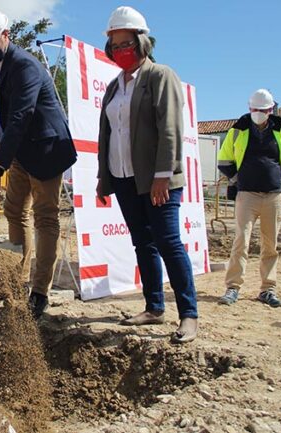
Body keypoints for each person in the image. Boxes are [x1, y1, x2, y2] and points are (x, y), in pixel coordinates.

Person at [0, 5, 77, 319]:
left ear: (6, 34)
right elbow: (6, 111)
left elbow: (21, 118)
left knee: (45, 218)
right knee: (14, 210)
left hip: (46, 150)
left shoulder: (26, 66)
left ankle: (39, 292)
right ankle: (15, 280)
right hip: (19, 151)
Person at [95, 6, 198, 343]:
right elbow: (107, 135)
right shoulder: (114, 86)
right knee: (143, 243)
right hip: (124, 177)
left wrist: (162, 176)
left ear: (142, 43)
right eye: (115, 45)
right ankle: (154, 307)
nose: (121, 51)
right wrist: (103, 177)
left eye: (127, 44)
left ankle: (189, 314)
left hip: (158, 180)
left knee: (168, 242)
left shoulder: (160, 76)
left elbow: (170, 129)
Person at [217, 89, 281, 307]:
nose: (259, 113)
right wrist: (237, 181)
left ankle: (268, 289)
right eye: (255, 109)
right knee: (240, 242)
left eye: (263, 110)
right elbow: (224, 161)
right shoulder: (237, 131)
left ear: (271, 109)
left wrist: (278, 179)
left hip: (273, 196)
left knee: (270, 244)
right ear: (249, 108)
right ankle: (232, 288)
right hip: (247, 195)